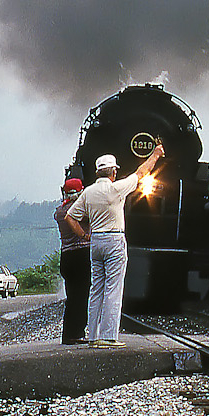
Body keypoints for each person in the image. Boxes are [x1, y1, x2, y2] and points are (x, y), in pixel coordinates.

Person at [65, 145, 164, 347]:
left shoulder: (88, 193)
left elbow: (70, 217)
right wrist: (156, 154)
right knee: (113, 289)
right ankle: (109, 336)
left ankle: (93, 336)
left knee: (96, 290)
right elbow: (141, 172)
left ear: (97, 172)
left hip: (96, 242)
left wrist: (84, 235)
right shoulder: (116, 188)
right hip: (114, 240)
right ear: (114, 172)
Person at [54, 177, 89, 345]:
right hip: (81, 255)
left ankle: (68, 333)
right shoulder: (80, 211)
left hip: (66, 256)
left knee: (72, 296)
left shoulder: (60, 211)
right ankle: (77, 333)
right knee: (82, 296)